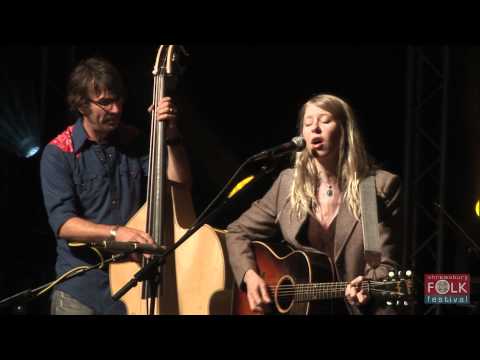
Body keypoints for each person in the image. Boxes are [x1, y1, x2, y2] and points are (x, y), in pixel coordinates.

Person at [225, 94, 403, 315]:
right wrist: (249, 276)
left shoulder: (375, 188)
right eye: (308, 124)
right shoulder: (288, 184)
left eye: (325, 121)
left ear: (345, 130)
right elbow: (237, 231)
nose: (315, 129)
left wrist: (366, 288)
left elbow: (382, 266)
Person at [40, 57, 191, 315]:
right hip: (81, 291)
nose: (116, 109)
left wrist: (172, 134)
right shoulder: (58, 152)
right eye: (105, 102)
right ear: (81, 104)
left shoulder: (133, 140)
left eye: (119, 99)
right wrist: (116, 233)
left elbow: (179, 181)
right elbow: (63, 224)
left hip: (129, 288)